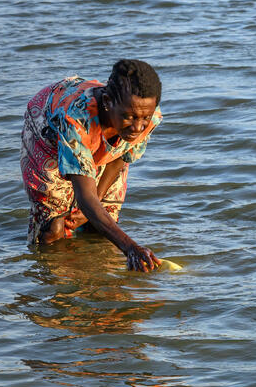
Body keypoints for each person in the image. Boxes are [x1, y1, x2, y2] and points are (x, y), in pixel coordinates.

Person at [20, 59, 164, 271]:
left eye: (144, 118)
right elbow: (85, 197)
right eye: (129, 117)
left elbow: (120, 155)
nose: (137, 126)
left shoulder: (145, 114)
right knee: (53, 229)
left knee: (101, 223)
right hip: (48, 135)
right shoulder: (75, 119)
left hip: (96, 135)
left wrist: (91, 207)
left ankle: (94, 277)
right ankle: (55, 284)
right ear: (107, 101)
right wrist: (130, 247)